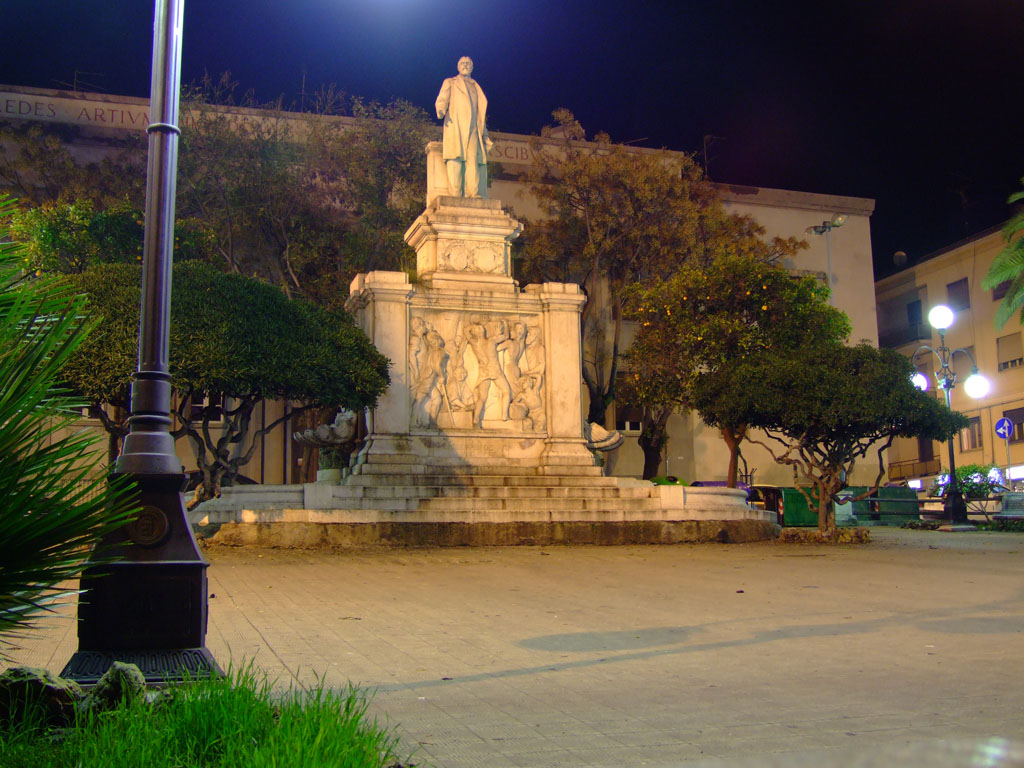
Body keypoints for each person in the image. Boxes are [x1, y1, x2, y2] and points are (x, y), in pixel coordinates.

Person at [435, 56, 493, 198]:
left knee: (472, 160)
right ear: (458, 67)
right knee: (455, 158)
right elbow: (442, 99)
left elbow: (480, 114)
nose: (465, 65)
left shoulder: (475, 86)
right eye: (462, 63)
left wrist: (484, 134)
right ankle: (455, 194)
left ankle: (473, 193)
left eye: (468, 63)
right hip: (456, 125)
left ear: (472, 67)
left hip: (473, 129)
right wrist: (441, 109)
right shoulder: (451, 82)